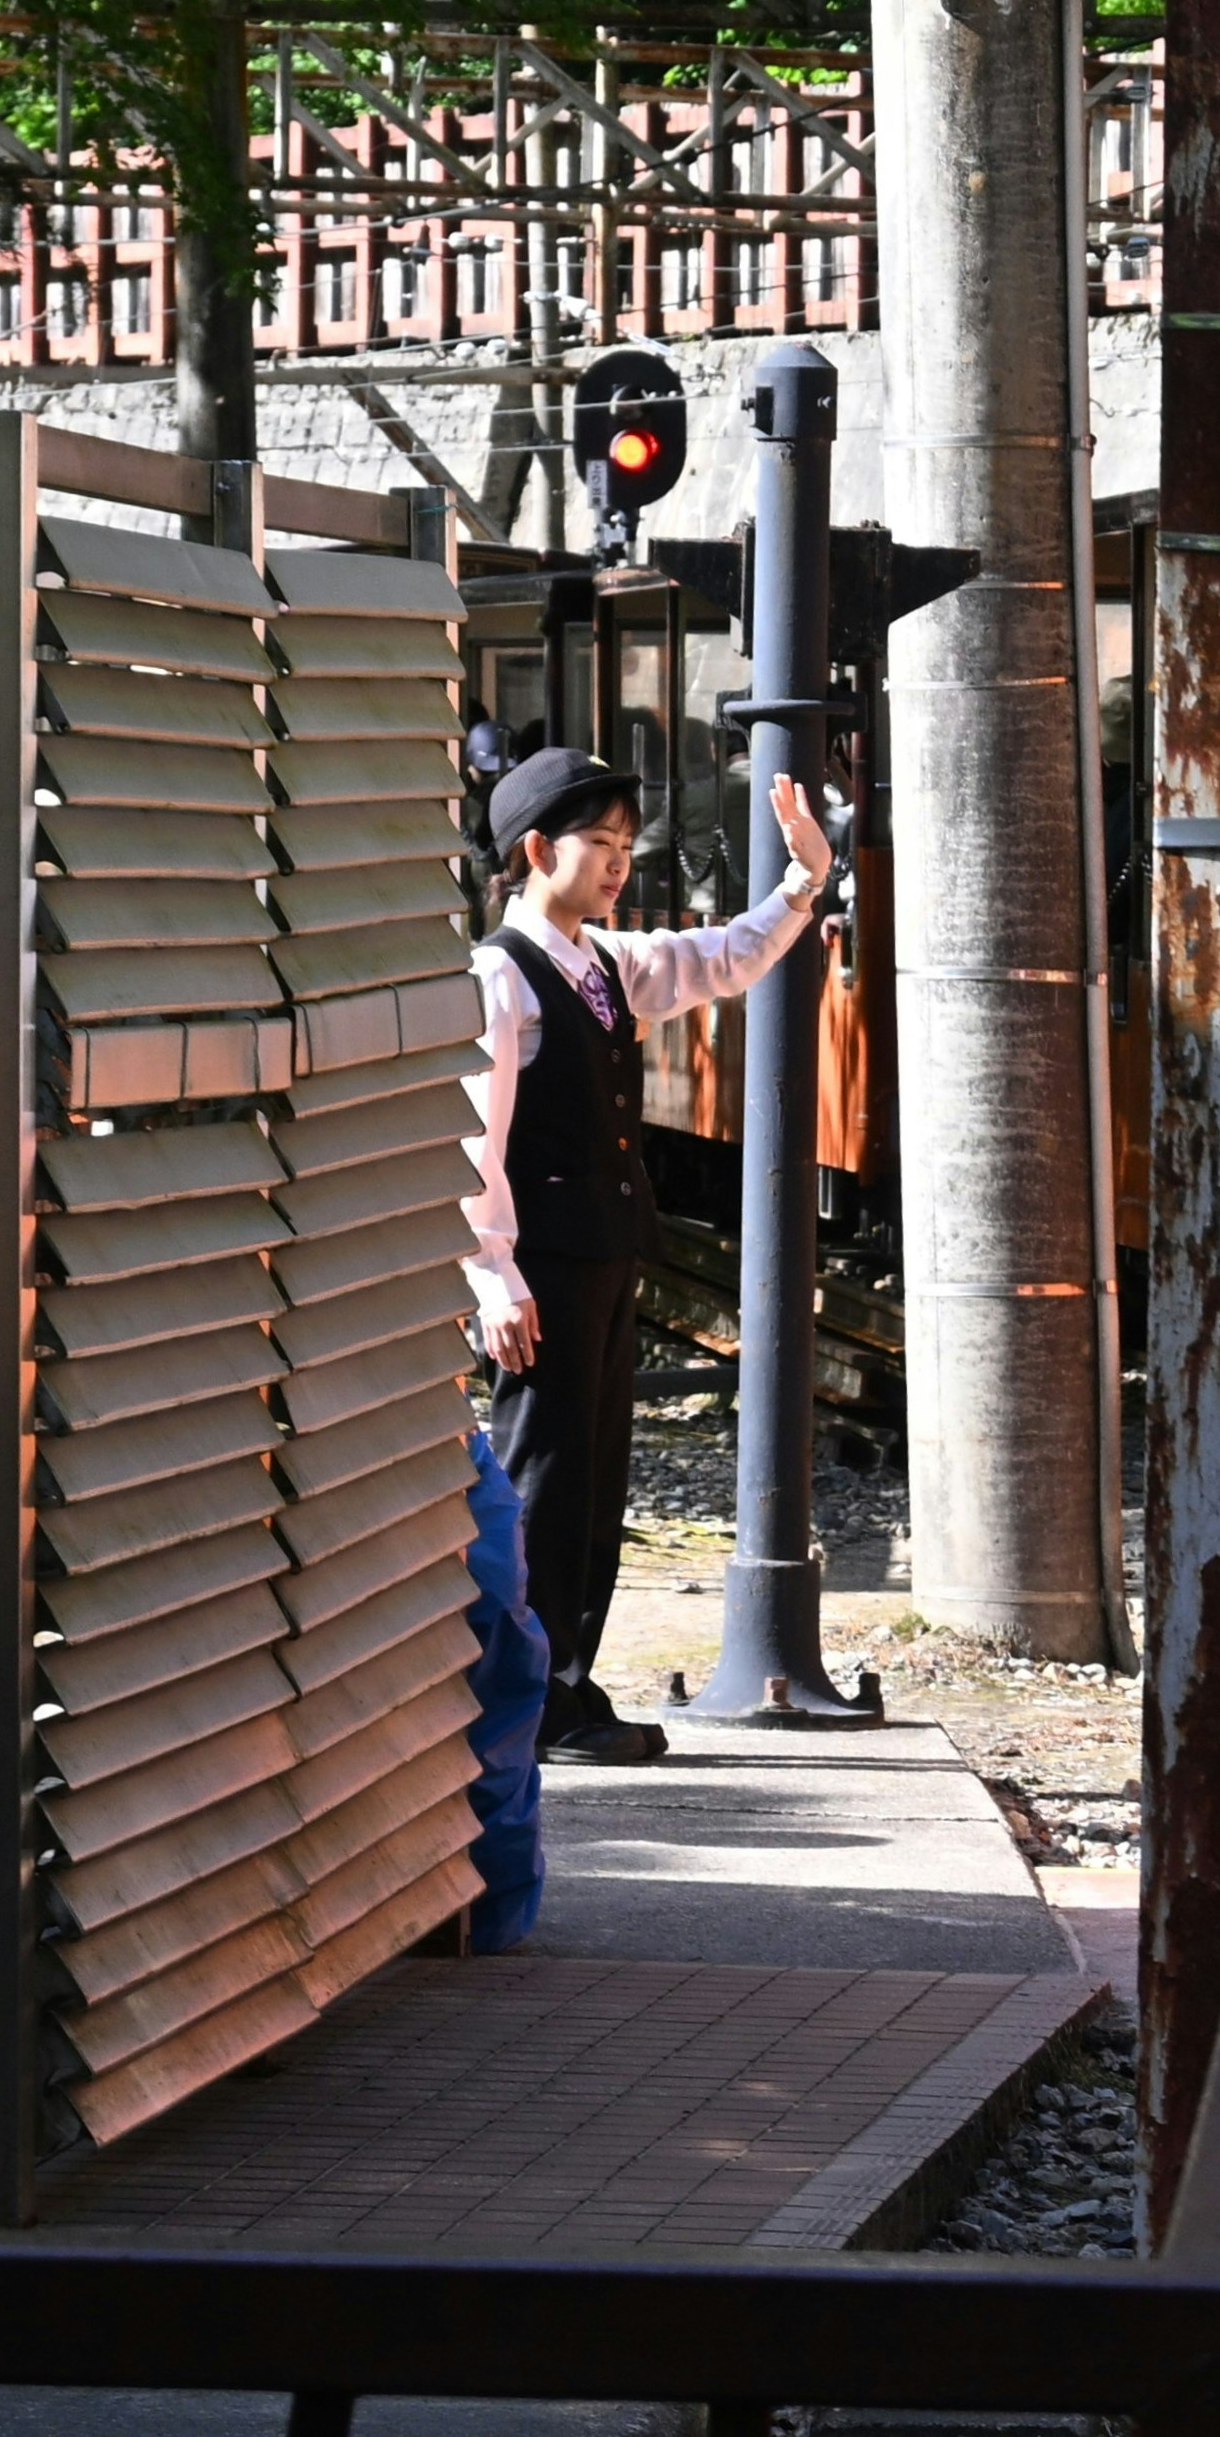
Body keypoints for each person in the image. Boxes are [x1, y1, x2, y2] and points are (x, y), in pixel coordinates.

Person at [459, 745, 836, 1765]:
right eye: (599, 843)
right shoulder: (503, 971)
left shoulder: (602, 962)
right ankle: (524, 1693)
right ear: (535, 849)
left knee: (595, 1479)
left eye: (627, 845)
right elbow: (473, 1134)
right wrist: (489, 1269)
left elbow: (717, 957)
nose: (618, 862)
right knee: (542, 1477)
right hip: (541, 1267)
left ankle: (567, 1683)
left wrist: (802, 884)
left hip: (604, 1255)